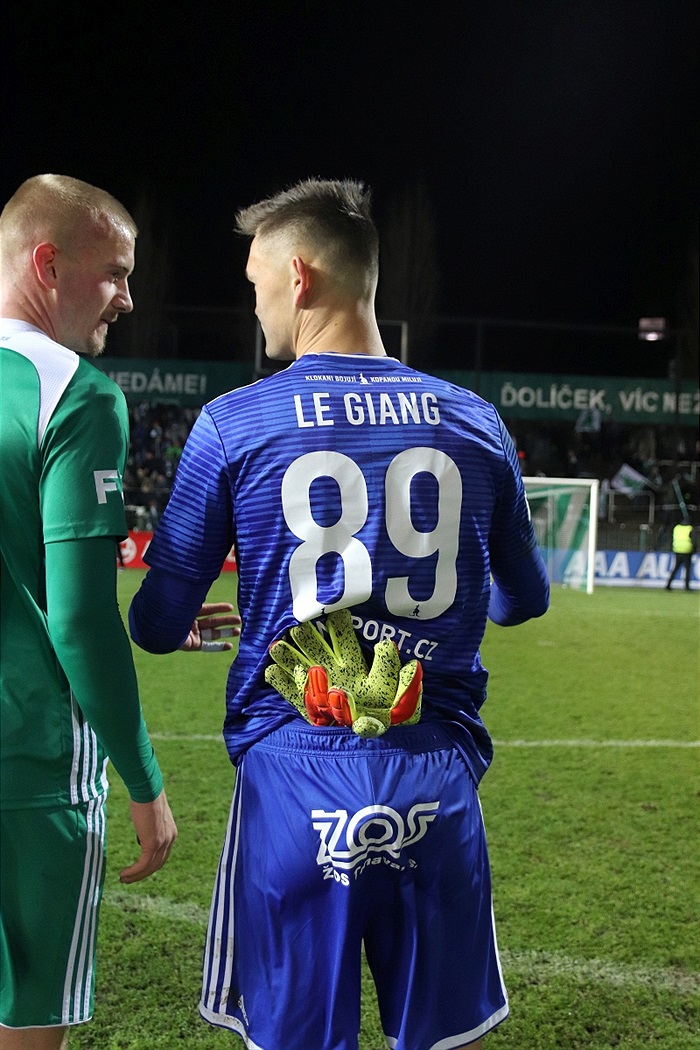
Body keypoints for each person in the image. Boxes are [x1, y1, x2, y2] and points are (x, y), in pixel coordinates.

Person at [129, 178, 550, 1050]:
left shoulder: (233, 423)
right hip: (434, 772)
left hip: (294, 779)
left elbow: (157, 620)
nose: (255, 305)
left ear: (299, 277)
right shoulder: (473, 421)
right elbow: (524, 598)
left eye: (255, 284)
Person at [0, 175, 233, 1050]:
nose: (129, 299)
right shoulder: (77, 393)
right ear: (49, 264)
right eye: (116, 274)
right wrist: (145, 782)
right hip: (29, 770)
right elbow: (78, 622)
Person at [665, 519, 696, 590]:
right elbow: (694, 540)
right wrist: (694, 550)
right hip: (687, 550)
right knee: (687, 569)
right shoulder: (690, 528)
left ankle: (668, 584)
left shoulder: (677, 528)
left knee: (675, 568)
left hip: (677, 550)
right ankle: (686, 586)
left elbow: (672, 538)